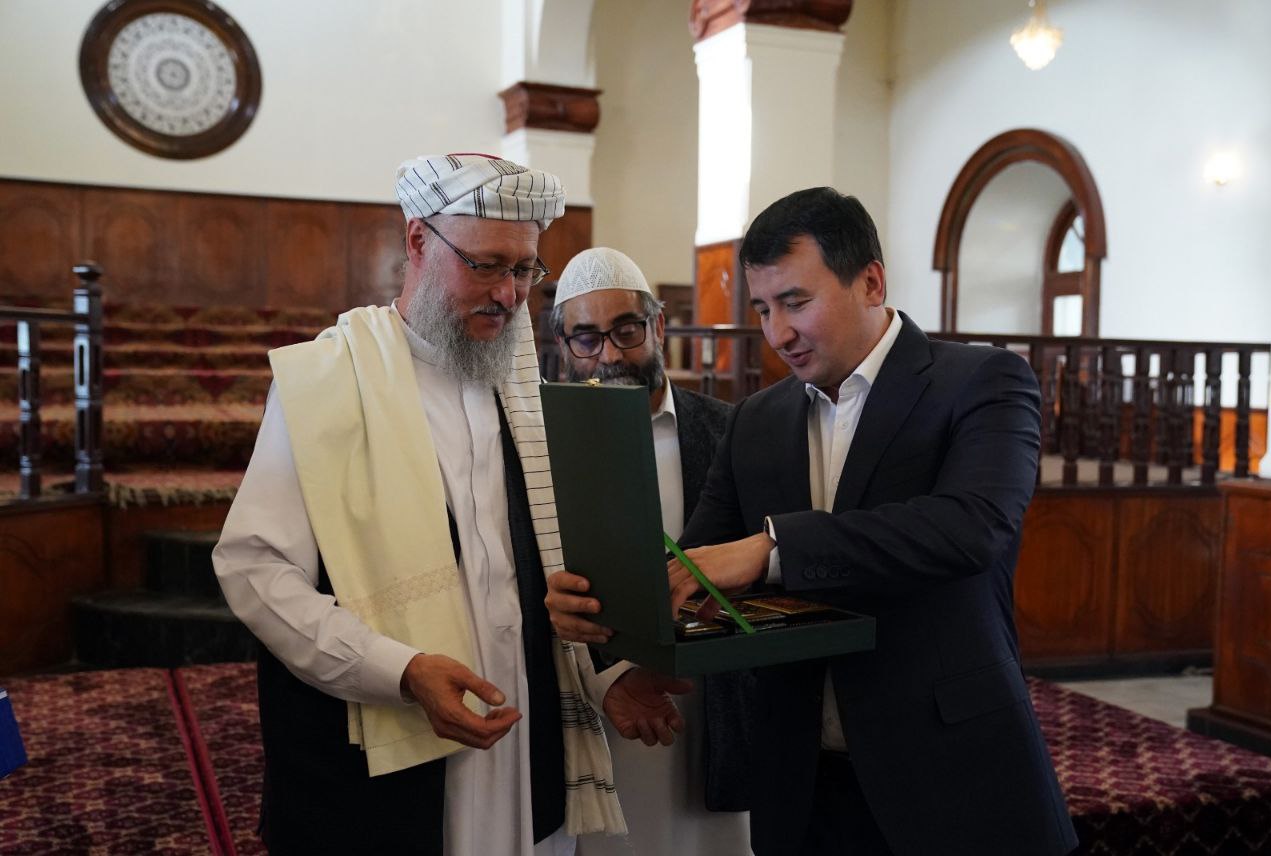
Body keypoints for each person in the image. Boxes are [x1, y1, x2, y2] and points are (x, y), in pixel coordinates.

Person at [552, 187, 1078, 855]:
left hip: (950, 775)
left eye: (796, 302)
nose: (778, 333)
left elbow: (971, 528)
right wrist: (601, 618)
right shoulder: (758, 420)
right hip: (801, 786)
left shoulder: (982, 382)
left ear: (871, 282)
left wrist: (773, 548)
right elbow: (690, 567)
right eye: (763, 309)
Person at [213, 153, 690, 856]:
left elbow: (542, 570)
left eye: (524, 270)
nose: (508, 294)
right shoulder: (324, 382)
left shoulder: (524, 392)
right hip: (387, 750)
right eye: (486, 265)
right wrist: (398, 670)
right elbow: (255, 570)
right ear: (417, 241)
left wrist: (604, 676)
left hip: (522, 740)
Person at [545, 247, 752, 856]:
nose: (609, 354)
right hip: (591, 696)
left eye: (626, 330)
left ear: (658, 326)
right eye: (587, 338)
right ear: (563, 346)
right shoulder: (541, 444)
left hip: (708, 703)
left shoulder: (731, 429)